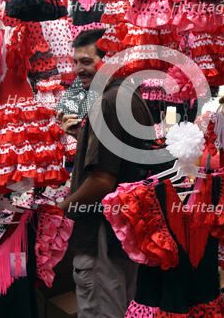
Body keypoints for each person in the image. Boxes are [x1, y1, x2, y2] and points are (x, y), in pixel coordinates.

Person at [58, 29, 154, 317]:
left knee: (102, 307)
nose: (78, 70)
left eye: (86, 62)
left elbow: (102, 180)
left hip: (102, 232)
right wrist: (84, 136)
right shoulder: (128, 95)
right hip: (125, 230)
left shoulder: (106, 102)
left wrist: (60, 209)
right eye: (75, 62)